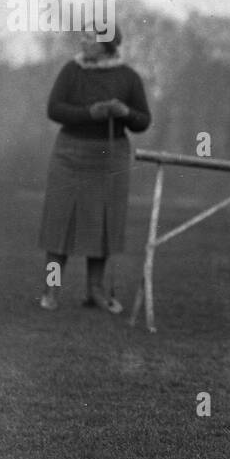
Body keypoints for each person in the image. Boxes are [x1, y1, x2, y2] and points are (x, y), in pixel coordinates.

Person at [38, 23, 151, 313]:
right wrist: (90, 113)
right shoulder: (72, 71)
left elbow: (143, 121)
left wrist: (124, 112)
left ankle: (96, 291)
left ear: (107, 45)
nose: (84, 42)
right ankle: (51, 290)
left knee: (102, 225)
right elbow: (54, 109)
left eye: (91, 38)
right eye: (84, 36)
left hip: (108, 156)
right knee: (59, 224)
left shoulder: (128, 78)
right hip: (70, 154)